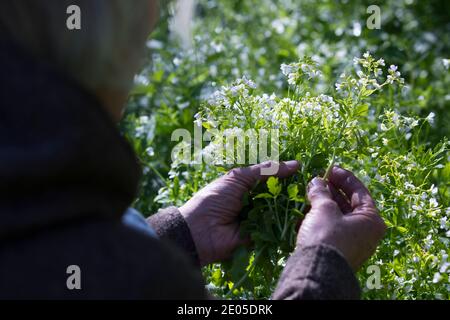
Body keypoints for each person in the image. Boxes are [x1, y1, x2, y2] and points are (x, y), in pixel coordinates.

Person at [0, 0, 386, 299]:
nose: (141, 66)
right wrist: (323, 265)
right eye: (140, 43)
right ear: (104, 52)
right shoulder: (138, 279)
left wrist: (180, 234)